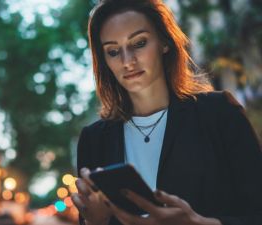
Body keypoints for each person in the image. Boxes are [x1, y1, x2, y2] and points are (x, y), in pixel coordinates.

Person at [71, 0, 262, 225]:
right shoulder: (95, 140)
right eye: (113, 51)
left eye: (139, 43)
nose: (127, 61)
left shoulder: (218, 112)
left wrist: (199, 223)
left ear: (164, 42)